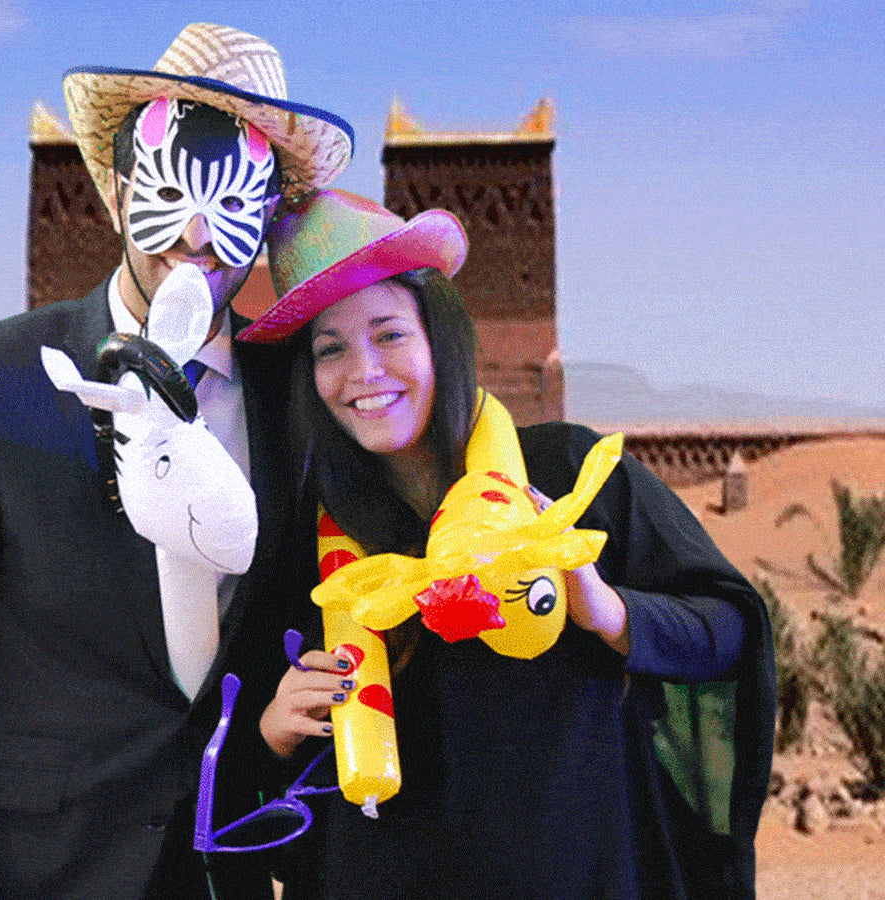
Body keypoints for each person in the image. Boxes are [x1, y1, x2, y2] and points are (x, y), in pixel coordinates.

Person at [0, 23, 353, 900]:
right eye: (169, 192)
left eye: (233, 203)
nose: (196, 236)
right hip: (30, 877)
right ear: (116, 191)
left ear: (267, 214)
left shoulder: (295, 399)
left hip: (219, 875)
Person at [236, 189, 776, 899]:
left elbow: (729, 631)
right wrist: (276, 731)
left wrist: (605, 608)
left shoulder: (571, 475)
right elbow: (258, 790)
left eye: (390, 334)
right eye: (330, 349)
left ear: (441, 339)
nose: (363, 371)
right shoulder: (308, 535)